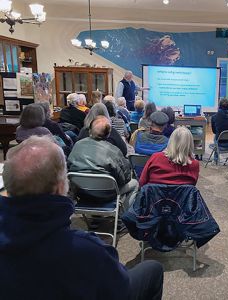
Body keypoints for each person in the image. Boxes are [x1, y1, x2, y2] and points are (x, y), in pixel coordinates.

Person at [0, 135, 163, 300]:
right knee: (153, 269)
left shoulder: (78, 147)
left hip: (87, 198)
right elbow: (120, 287)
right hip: (108, 199)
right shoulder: (86, 249)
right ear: (60, 186)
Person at [69, 116, 137, 209]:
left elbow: (69, 167)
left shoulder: (77, 145)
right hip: (106, 195)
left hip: (82, 193)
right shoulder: (114, 151)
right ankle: (123, 215)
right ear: (108, 134)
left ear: (90, 130)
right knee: (135, 184)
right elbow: (125, 177)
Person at [211, 98, 228, 163]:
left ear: (219, 106)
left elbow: (214, 131)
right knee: (219, 135)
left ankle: (216, 160)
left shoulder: (214, 117)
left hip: (220, 144)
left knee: (216, 136)